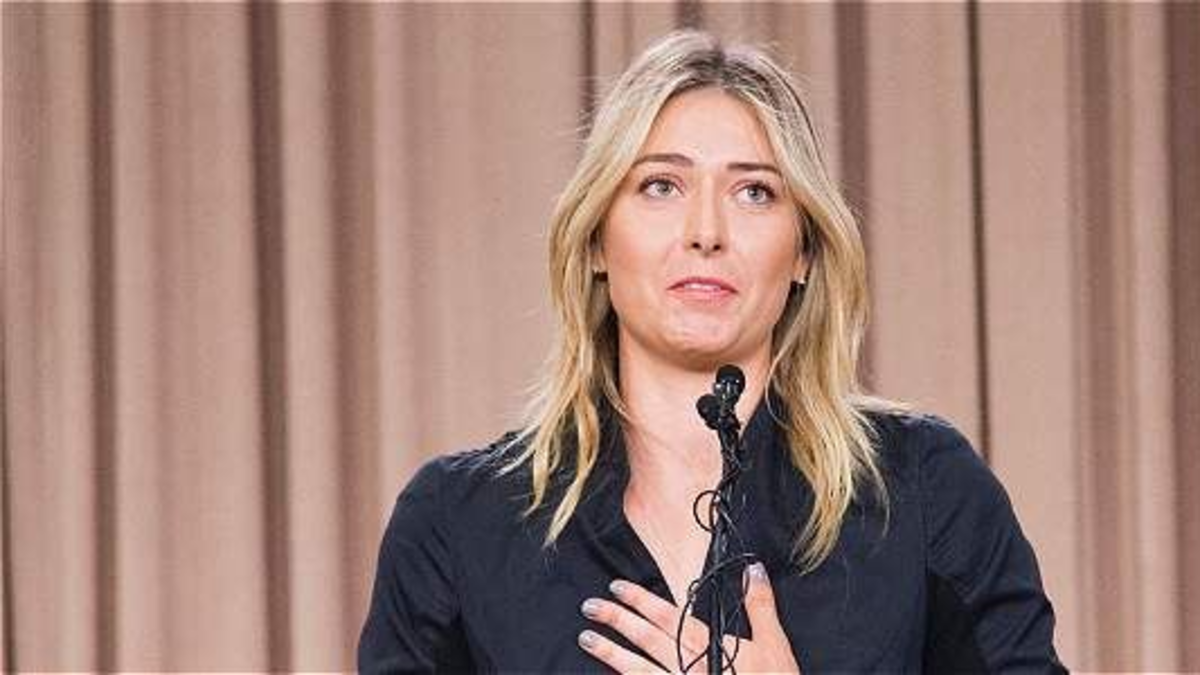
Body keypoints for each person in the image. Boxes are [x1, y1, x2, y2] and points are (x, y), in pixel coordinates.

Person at [359, 30, 1065, 673]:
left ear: (804, 251)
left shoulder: (923, 490)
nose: (706, 230)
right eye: (661, 186)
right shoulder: (457, 521)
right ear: (597, 238)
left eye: (754, 192)